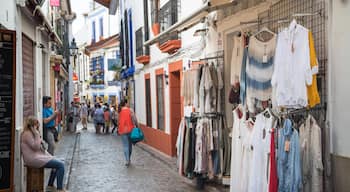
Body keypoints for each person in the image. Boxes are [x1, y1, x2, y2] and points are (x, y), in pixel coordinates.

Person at [21, 116, 67, 192]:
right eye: (36, 124)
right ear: (31, 125)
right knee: (60, 165)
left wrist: (50, 156)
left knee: (61, 161)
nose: (37, 126)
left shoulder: (32, 133)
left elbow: (42, 148)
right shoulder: (27, 134)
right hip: (32, 159)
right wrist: (36, 135)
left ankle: (50, 185)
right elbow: (35, 147)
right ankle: (60, 189)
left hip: (38, 156)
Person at [118, 99, 136, 167]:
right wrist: (137, 126)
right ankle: (129, 159)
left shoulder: (120, 111)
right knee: (130, 145)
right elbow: (134, 118)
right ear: (125, 103)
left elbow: (118, 121)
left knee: (125, 145)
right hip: (130, 129)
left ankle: (127, 160)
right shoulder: (130, 110)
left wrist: (118, 128)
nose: (128, 104)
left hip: (122, 130)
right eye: (128, 102)